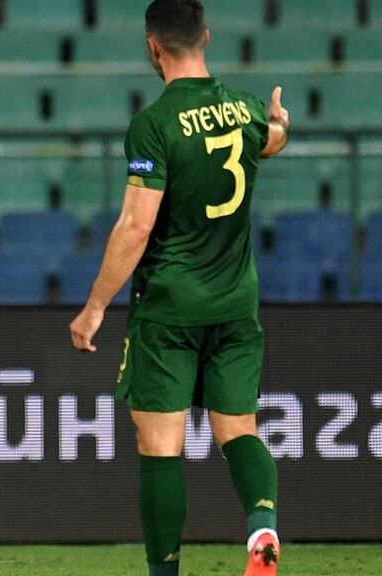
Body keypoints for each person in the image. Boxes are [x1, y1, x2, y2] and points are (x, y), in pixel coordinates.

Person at [68, 2, 289, 576]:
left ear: (153, 47)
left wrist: (95, 307)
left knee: (160, 447)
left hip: (170, 307)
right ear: (205, 38)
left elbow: (135, 227)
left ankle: (165, 571)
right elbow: (269, 140)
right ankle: (262, 526)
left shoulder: (155, 124)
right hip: (236, 303)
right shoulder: (243, 108)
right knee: (238, 430)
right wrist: (281, 124)